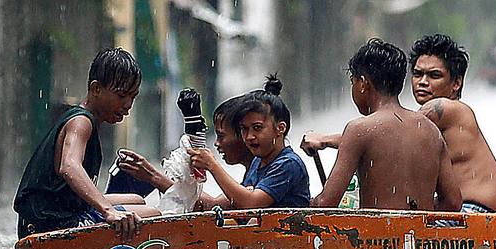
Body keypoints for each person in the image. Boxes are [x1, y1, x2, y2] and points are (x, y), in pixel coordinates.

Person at [13, 48, 161, 241]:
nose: (128, 104)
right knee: (153, 216)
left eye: (133, 96)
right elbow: (69, 166)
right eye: (121, 95)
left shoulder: (87, 120)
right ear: (96, 89)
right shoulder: (81, 122)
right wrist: (108, 211)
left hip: (53, 213)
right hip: (48, 224)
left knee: (137, 200)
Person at [301, 38, 462, 211]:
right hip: (421, 236)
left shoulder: (359, 129)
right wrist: (419, 211)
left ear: (362, 83)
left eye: (353, 82)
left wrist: (306, 203)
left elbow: (326, 203)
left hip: (376, 236)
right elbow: (453, 202)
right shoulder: (431, 130)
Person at [407, 33, 496, 213]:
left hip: (476, 211)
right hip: (480, 212)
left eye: (434, 75)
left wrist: (347, 141)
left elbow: (393, 138)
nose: (422, 82)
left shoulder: (445, 108)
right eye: (417, 74)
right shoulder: (448, 114)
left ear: (456, 83)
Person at [114, 93, 254, 210]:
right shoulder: (254, 171)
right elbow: (206, 204)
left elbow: (208, 205)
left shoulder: (268, 173)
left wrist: (154, 177)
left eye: (221, 136)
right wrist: (153, 177)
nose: (216, 143)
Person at [190, 77, 310, 209]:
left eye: (257, 128)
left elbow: (250, 203)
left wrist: (212, 165)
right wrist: (165, 181)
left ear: (280, 128)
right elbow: (226, 203)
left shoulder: (288, 164)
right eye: (244, 129)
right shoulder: (257, 162)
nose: (249, 136)